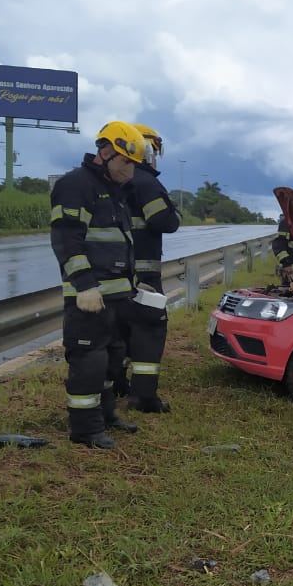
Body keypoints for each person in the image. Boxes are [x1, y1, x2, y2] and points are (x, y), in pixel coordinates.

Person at [49, 121, 145, 448]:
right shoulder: (75, 186)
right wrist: (84, 285)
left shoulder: (116, 192)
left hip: (116, 300)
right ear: (105, 153)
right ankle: (85, 429)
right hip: (89, 298)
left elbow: (118, 245)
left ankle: (106, 416)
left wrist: (134, 286)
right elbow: (66, 239)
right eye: (126, 162)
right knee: (88, 362)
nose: (131, 171)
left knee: (111, 361)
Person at [115, 124, 181, 413]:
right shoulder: (146, 182)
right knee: (150, 332)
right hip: (145, 277)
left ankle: (116, 383)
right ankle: (143, 396)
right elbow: (165, 222)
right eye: (153, 150)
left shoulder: (115, 180)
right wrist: (173, 211)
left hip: (115, 274)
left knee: (117, 331)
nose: (154, 157)